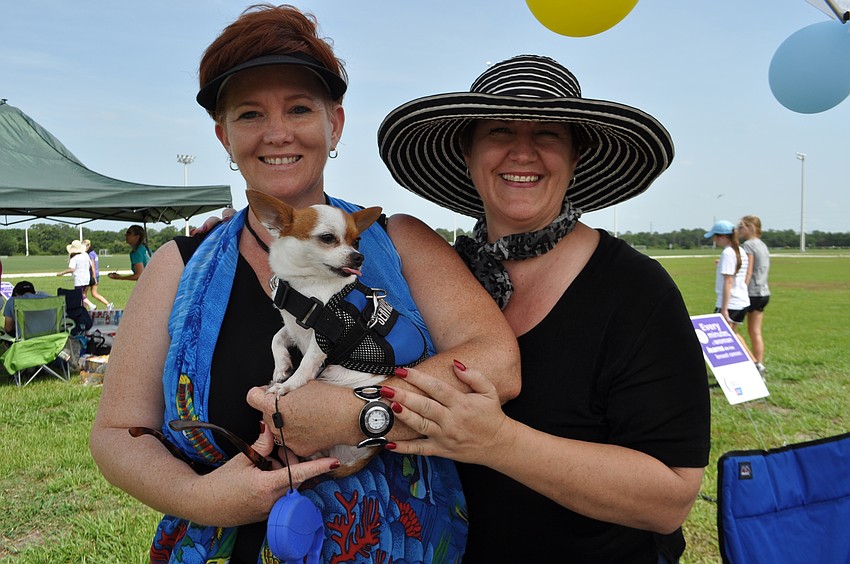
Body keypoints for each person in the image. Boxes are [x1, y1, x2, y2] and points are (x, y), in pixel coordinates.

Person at [89, 5, 519, 564]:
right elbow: (117, 432)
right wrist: (202, 497)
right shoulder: (177, 265)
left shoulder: (401, 241)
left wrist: (353, 411)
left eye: (298, 108)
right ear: (222, 135)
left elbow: (497, 362)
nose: (276, 133)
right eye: (248, 114)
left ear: (333, 124)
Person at [376, 55, 711, 562]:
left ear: (576, 155)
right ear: (467, 152)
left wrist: (499, 442)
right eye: (500, 130)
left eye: (548, 133)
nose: (523, 151)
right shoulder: (428, 280)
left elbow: (669, 498)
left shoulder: (637, 291)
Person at [705, 220, 751, 336]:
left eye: (716, 236)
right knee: (734, 335)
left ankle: (750, 356)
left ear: (724, 236)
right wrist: (721, 265)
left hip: (731, 303)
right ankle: (751, 356)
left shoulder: (728, 253)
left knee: (723, 338)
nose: (714, 240)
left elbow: (729, 282)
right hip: (741, 300)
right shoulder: (740, 251)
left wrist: (724, 309)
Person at [738, 215, 770, 376]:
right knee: (755, 331)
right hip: (764, 292)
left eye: (742, 226)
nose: (739, 230)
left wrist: (741, 287)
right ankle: (760, 364)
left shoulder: (748, 245)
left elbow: (748, 270)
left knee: (733, 329)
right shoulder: (762, 245)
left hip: (751, 293)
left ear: (751, 227)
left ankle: (755, 364)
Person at [57, 239, 97, 311]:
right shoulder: (85, 255)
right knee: (83, 294)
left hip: (79, 279)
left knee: (79, 294)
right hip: (87, 278)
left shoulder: (74, 258)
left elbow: (72, 269)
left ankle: (91, 305)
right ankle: (84, 308)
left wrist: (62, 273)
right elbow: (90, 265)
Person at [83, 239, 110, 307]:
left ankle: (85, 308)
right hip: (96, 274)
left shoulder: (90, 254)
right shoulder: (94, 253)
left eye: (85, 246)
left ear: (89, 245)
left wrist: (94, 277)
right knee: (94, 293)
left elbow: (93, 267)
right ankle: (108, 304)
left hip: (91, 275)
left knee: (83, 294)